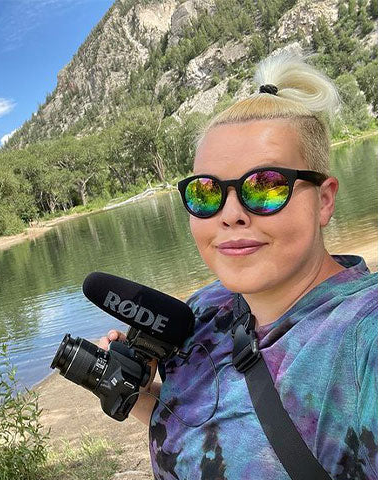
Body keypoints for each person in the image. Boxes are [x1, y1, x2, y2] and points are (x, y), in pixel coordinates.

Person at [99, 51, 378, 480]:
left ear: (324, 200)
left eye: (265, 186)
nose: (230, 215)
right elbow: (215, 429)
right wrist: (138, 396)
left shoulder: (364, 336)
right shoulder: (207, 307)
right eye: (207, 193)